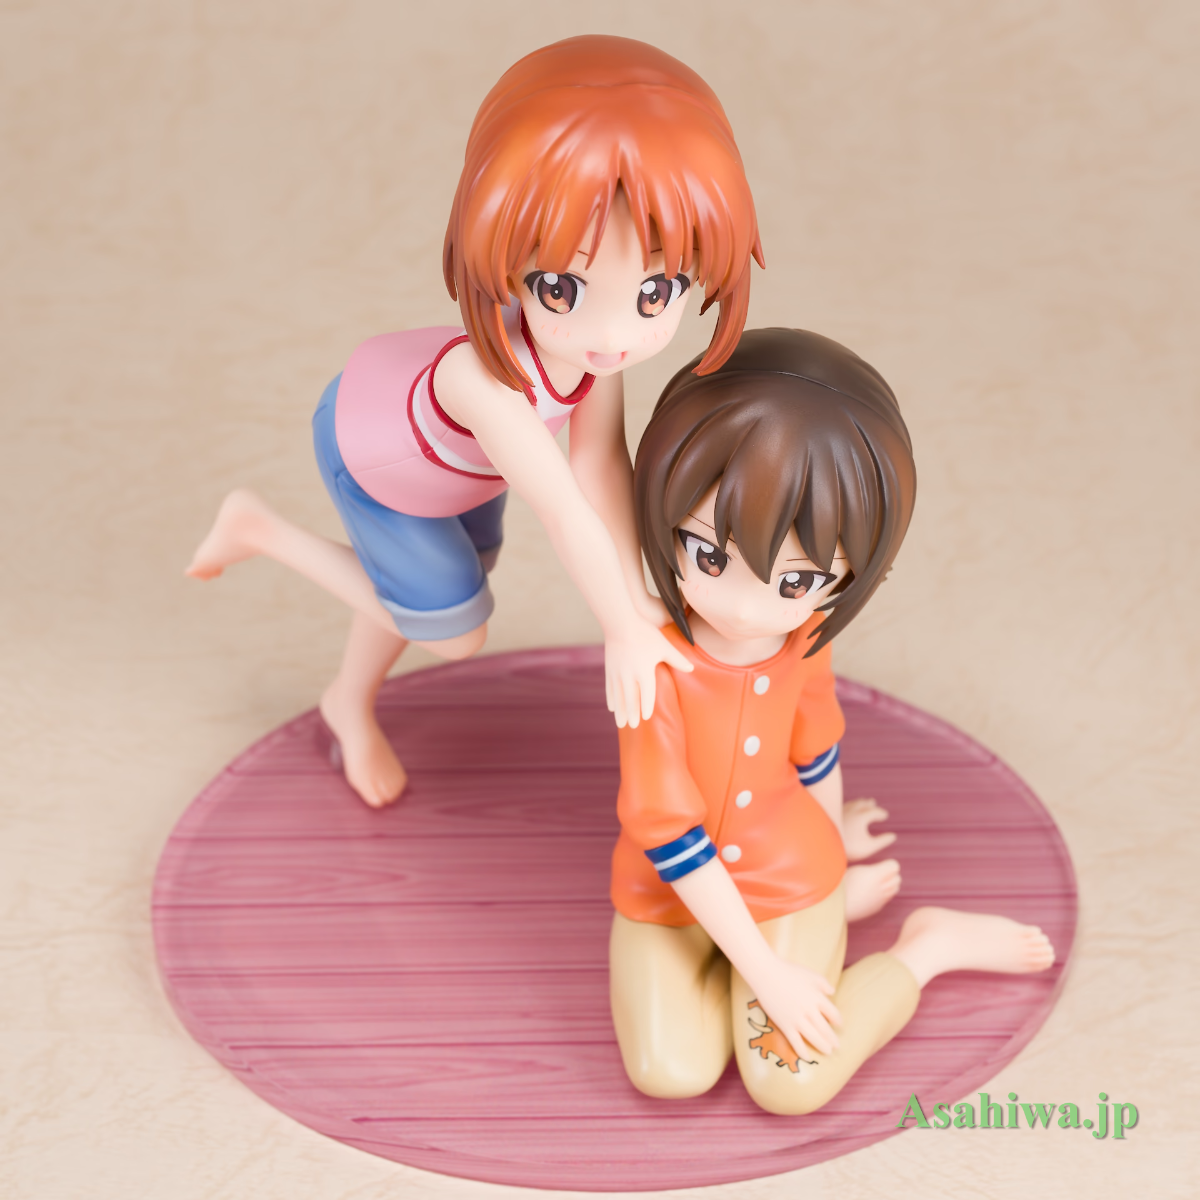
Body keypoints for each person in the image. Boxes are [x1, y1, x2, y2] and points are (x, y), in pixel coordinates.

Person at [186, 36, 763, 807]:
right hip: (381, 458)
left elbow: (599, 468)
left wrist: (635, 598)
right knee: (454, 630)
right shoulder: (479, 383)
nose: (614, 334)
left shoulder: (594, 359)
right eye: (561, 288)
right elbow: (561, 508)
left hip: (466, 473)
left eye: (656, 293)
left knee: (432, 590)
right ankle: (260, 530)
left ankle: (345, 702)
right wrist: (623, 625)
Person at [610, 328, 1055, 1114]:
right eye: (709, 555)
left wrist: (832, 848)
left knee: (789, 1083)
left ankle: (924, 950)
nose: (748, 609)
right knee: (671, 1072)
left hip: (790, 877)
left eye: (797, 580)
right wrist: (766, 974)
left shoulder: (807, 637)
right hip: (666, 899)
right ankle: (793, 944)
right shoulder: (649, 662)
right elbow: (667, 833)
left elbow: (816, 745)